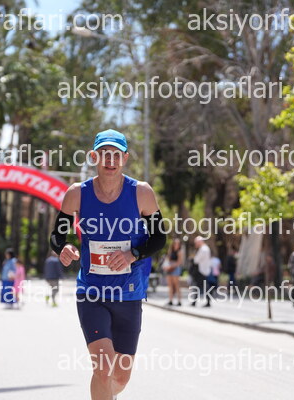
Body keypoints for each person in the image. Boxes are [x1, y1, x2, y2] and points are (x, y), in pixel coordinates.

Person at [49, 129, 166, 400]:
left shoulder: (141, 193)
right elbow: (57, 235)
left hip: (129, 293)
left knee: (120, 377)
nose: (110, 160)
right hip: (92, 292)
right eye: (104, 154)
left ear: (124, 158)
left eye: (116, 155)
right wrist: (62, 248)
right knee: (103, 368)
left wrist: (132, 254)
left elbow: (159, 238)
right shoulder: (77, 194)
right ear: (94, 157)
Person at [191, 236, 212, 307]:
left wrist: (193, 258)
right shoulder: (205, 248)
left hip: (202, 271)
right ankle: (196, 302)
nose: (195, 244)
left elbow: (196, 260)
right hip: (203, 270)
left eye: (196, 243)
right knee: (201, 286)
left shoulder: (203, 249)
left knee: (201, 286)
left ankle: (197, 302)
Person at [163, 238, 183, 306]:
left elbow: (179, 262)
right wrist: (166, 266)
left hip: (175, 269)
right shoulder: (170, 251)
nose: (176, 245)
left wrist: (171, 266)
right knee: (170, 285)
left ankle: (179, 301)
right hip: (169, 269)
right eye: (175, 243)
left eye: (178, 244)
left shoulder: (179, 252)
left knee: (177, 285)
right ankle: (170, 300)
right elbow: (168, 259)